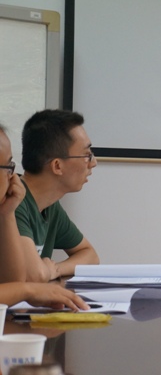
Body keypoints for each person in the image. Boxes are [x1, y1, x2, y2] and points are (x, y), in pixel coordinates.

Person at [0, 122, 88, 310]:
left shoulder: (6, 208)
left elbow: (12, 282)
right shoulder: (22, 203)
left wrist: (7, 214)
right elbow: (24, 282)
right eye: (7, 167)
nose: (13, 177)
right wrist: (29, 290)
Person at [16, 110, 99, 283]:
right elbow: (33, 275)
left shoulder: (49, 206)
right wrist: (44, 271)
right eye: (87, 155)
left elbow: (90, 256)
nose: (93, 163)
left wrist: (54, 269)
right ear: (57, 166)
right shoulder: (13, 201)